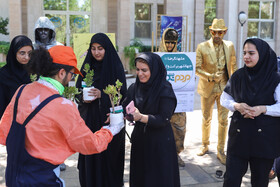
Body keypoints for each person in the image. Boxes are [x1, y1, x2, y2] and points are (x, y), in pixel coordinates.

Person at [0, 45, 124, 186]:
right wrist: (111, 129)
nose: (72, 77)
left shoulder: (22, 90)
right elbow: (90, 144)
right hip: (41, 178)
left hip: (13, 175)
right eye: (72, 73)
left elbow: (4, 133)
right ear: (61, 73)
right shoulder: (63, 105)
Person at [221, 38, 280, 186]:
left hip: (264, 139)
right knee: (231, 179)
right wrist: (237, 106)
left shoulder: (275, 79)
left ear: (263, 55)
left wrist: (262, 109)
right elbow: (224, 99)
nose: (246, 56)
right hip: (239, 137)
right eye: (244, 53)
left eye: (251, 53)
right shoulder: (238, 76)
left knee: (260, 181)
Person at [75, 33, 127, 187]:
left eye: (100, 48)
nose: (96, 52)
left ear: (107, 49)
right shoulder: (86, 67)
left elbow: (123, 94)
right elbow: (78, 91)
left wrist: (102, 95)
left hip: (109, 121)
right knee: (91, 155)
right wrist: (83, 97)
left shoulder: (115, 67)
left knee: (108, 158)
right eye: (93, 48)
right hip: (90, 121)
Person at [122, 52, 180, 187]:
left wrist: (141, 117)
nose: (140, 73)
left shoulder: (165, 89)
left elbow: (163, 119)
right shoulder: (135, 87)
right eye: (137, 69)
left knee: (158, 179)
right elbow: (125, 105)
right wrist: (117, 113)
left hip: (159, 143)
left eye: (144, 70)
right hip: (140, 142)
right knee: (141, 178)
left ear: (154, 70)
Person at [195, 18, 237, 165]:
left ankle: (221, 150)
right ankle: (205, 145)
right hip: (207, 87)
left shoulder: (230, 46)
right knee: (206, 118)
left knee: (224, 120)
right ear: (211, 31)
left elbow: (234, 66)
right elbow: (197, 69)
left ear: (224, 32)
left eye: (220, 32)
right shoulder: (202, 47)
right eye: (214, 32)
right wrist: (211, 76)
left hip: (225, 88)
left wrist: (235, 85)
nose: (217, 35)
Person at [158, 28, 186, 167]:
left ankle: (176, 154)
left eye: (172, 43)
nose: (169, 45)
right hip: (161, 102)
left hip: (179, 103)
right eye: (167, 42)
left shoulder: (181, 59)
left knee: (179, 130)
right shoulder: (156, 59)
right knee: (161, 129)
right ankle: (162, 155)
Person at [0, 35, 33, 119]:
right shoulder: (3, 75)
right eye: (22, 53)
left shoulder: (34, 73)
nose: (27, 57)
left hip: (32, 124)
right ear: (14, 53)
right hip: (8, 123)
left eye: (30, 53)